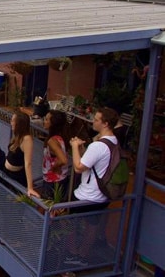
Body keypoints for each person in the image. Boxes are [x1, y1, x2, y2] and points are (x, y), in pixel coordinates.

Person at [64, 107, 118, 267]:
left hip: (87, 194)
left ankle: (72, 252)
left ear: (105, 123)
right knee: (92, 225)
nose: (93, 121)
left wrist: (74, 146)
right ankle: (83, 254)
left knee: (70, 223)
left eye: (96, 120)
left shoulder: (98, 146)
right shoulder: (113, 142)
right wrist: (81, 150)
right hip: (103, 193)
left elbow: (79, 167)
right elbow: (92, 163)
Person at [2, 111, 40, 198]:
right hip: (7, 173)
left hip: (16, 177)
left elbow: (28, 164)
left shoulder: (27, 139)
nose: (11, 123)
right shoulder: (17, 136)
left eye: (13, 121)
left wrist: (30, 187)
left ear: (19, 124)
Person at [42, 110, 70, 201]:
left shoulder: (52, 141)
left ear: (53, 124)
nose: (44, 121)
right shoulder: (60, 138)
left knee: (47, 206)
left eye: (46, 119)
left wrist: (54, 167)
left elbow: (63, 160)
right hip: (60, 179)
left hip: (52, 181)